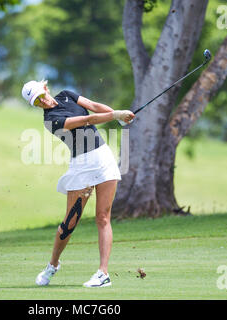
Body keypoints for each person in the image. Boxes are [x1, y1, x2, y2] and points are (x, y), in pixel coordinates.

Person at [21, 80, 134, 287]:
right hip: (82, 165)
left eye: (41, 94)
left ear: (45, 88)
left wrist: (118, 115)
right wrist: (116, 115)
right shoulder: (51, 120)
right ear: (36, 105)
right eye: (37, 101)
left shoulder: (66, 94)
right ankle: (52, 265)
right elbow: (87, 119)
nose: (43, 101)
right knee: (70, 222)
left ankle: (103, 273)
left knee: (103, 217)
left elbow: (93, 105)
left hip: (103, 159)